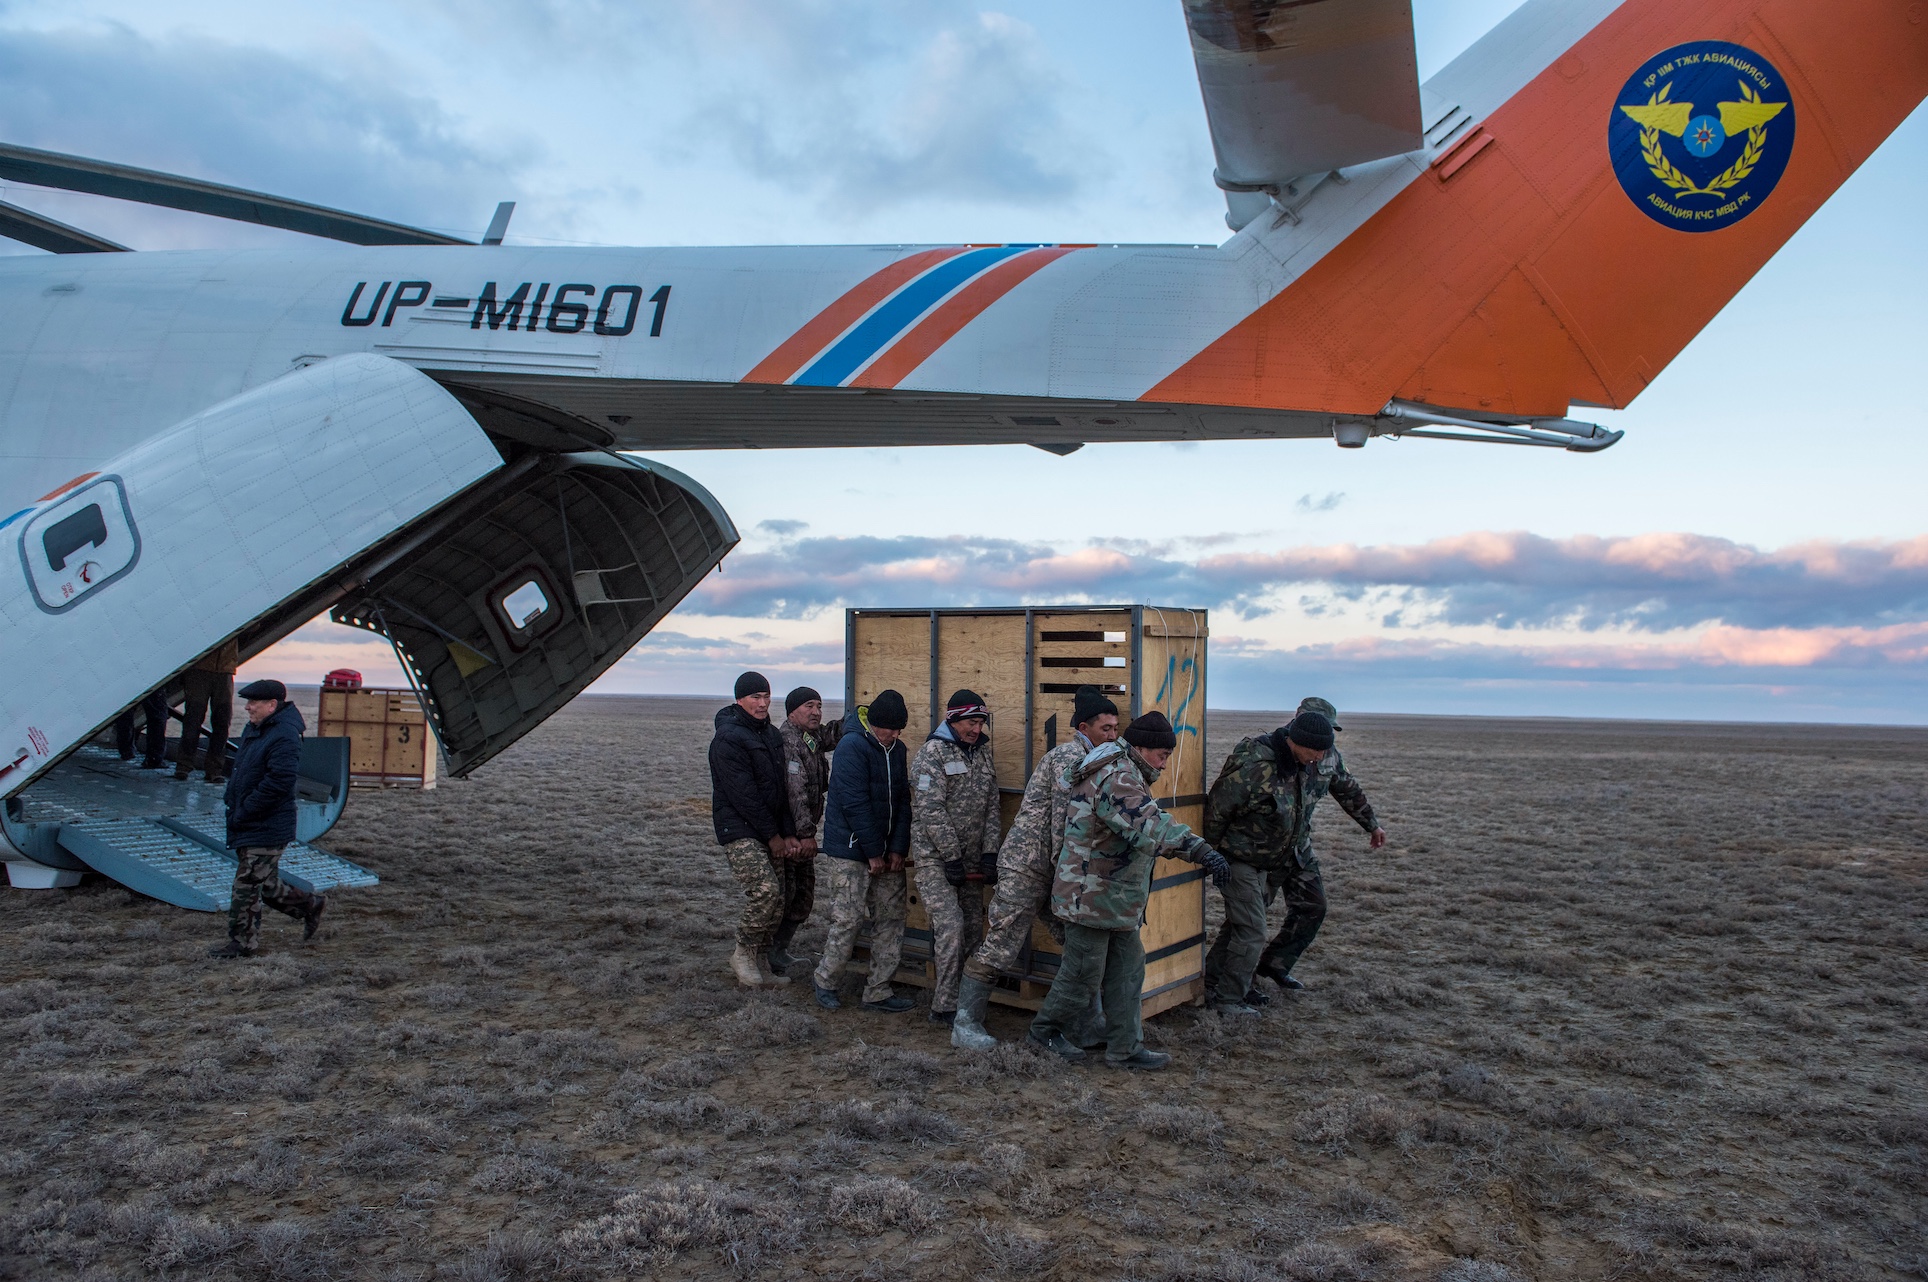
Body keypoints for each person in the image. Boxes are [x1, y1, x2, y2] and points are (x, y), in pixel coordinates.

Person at [1029, 712, 1229, 1070]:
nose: (1164, 764)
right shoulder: (1117, 776)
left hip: (1112, 897)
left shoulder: (1125, 769)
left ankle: (1124, 1047)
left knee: (1128, 969)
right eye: (1161, 755)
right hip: (1088, 894)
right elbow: (1149, 823)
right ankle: (1044, 1032)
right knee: (1083, 972)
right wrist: (1201, 851)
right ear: (1139, 748)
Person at [953, 684, 1118, 1051]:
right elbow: (1063, 823)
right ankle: (964, 1024)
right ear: (1083, 728)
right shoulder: (1067, 760)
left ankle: (1087, 1025)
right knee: (1001, 943)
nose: (1112, 735)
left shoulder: (1097, 762)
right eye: (1105, 729)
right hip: (1028, 867)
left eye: (1115, 729)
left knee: (1078, 946)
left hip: (1058, 871)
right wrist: (1071, 881)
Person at [1202, 705, 1383, 1012]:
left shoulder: (1312, 759)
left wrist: (1371, 823)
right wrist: (1210, 855)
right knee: (1250, 928)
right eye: (1315, 750)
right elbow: (1219, 808)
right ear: (1299, 738)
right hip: (1242, 856)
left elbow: (1345, 788)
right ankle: (1226, 997)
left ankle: (1226, 981)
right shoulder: (1257, 764)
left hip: (1283, 854)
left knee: (1248, 924)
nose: (1319, 758)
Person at [1256, 698, 1385, 994]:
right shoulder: (1267, 751)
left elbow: (1347, 788)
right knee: (1251, 920)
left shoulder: (1329, 756)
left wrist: (1372, 824)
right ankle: (1232, 980)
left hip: (1299, 849)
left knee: (1313, 906)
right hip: (1264, 850)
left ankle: (1274, 966)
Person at [812, 689, 914, 1013]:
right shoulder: (851, 747)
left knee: (891, 918)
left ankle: (879, 990)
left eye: (899, 730)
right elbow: (854, 803)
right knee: (849, 919)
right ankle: (825, 981)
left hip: (883, 852)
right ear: (874, 725)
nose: (895, 736)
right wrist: (874, 853)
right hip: (850, 852)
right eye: (890, 730)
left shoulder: (898, 750)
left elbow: (902, 802)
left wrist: (897, 848)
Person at [208, 680, 324, 958]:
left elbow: (279, 782)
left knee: (246, 884)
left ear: (272, 705)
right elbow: (243, 768)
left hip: (267, 823)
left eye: (254, 703)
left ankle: (243, 943)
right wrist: (232, 800)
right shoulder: (257, 728)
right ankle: (311, 905)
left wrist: (246, 809)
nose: (247, 707)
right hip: (250, 819)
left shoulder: (284, 735)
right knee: (268, 887)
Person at [908, 689, 1003, 1026]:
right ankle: (944, 1006)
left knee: (974, 933)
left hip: (973, 862)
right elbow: (929, 809)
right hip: (937, 861)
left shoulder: (982, 754)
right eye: (970, 722)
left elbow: (992, 806)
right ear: (953, 719)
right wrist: (950, 856)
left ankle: (968, 1002)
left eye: (980, 722)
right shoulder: (931, 754)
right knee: (950, 927)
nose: (975, 729)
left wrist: (991, 853)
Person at [708, 671, 798, 988]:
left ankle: (761, 960)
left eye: (765, 697)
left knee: (781, 897)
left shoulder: (770, 735)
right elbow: (743, 795)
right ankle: (743, 952)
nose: (762, 704)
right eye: (754, 698)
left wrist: (786, 832)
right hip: (739, 826)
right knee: (766, 890)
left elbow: (781, 789)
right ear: (739, 700)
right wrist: (773, 836)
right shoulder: (728, 739)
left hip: (768, 827)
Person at [774, 686, 842, 977]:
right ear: (792, 711)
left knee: (803, 896)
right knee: (785, 895)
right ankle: (767, 954)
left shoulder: (808, 736)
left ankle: (779, 950)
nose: (816, 712)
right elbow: (795, 793)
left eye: (819, 706)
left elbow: (828, 736)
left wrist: (855, 718)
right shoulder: (788, 741)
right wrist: (804, 833)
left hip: (803, 835)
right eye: (809, 706)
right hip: (791, 837)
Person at [175, 639, 239, 783]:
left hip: (223, 669)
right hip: (201, 668)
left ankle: (213, 769)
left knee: (222, 721)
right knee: (193, 719)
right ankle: (185, 766)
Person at [116, 689, 170, 768]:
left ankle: (126, 750)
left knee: (126, 712)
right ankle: (154, 758)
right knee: (157, 714)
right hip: (152, 680)